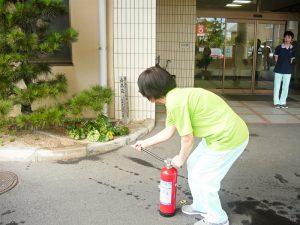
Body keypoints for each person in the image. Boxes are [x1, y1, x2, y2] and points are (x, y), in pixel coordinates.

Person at [133, 66, 249, 225]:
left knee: (206, 179)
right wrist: (145, 142)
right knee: (194, 163)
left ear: (150, 94)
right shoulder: (175, 97)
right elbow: (169, 131)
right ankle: (201, 206)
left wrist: (180, 159)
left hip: (229, 138)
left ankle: (218, 219)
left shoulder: (176, 103)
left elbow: (187, 139)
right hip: (217, 136)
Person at [273, 31, 296, 109]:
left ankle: (283, 102)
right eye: (286, 37)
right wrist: (280, 65)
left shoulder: (293, 49)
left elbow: (291, 60)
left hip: (288, 70)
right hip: (278, 69)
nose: (287, 39)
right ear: (283, 38)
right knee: (277, 86)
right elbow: (276, 59)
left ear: (291, 39)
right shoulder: (278, 48)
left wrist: (287, 66)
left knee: (285, 87)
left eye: (289, 37)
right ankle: (276, 102)